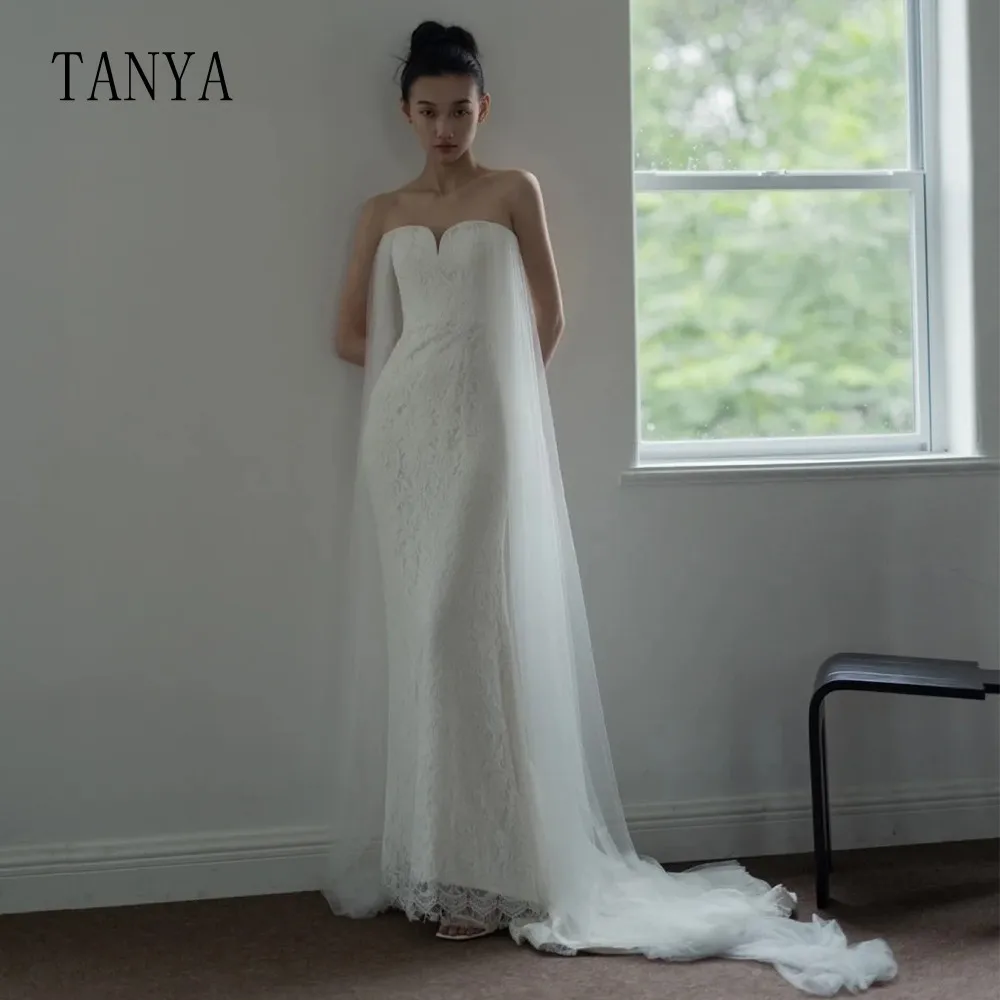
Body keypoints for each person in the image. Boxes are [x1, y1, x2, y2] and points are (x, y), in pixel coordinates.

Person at [323, 20, 898, 996]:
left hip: (483, 432)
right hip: (402, 440)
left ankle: (493, 871)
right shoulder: (380, 210)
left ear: (483, 107)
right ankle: (428, 861)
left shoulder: (515, 194)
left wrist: (487, 390)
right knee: (423, 640)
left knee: (462, 629)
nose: (444, 127)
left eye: (459, 110)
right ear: (404, 113)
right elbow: (347, 333)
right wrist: (419, 379)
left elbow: (549, 316)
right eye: (427, 112)